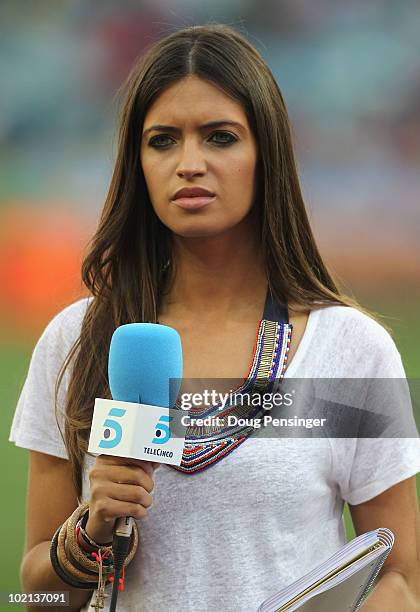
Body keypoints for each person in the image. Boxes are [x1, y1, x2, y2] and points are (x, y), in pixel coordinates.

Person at [9, 23, 420, 612]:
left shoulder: (352, 348)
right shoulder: (75, 342)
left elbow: (400, 579)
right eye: (162, 140)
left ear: (267, 153)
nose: (189, 163)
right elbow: (37, 596)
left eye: (220, 137)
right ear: (137, 163)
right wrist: (90, 530)